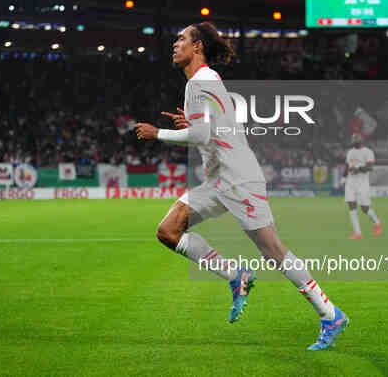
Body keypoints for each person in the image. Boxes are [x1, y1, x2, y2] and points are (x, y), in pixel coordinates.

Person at [134, 21, 348, 350]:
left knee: (273, 251)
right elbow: (214, 128)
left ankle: (330, 313)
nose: (175, 44)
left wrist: (158, 133)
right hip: (218, 178)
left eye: (181, 39)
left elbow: (204, 134)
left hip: (238, 179)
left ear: (198, 47)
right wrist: (190, 124)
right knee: (168, 231)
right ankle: (237, 276)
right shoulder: (199, 82)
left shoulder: (202, 80)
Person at [344, 133, 382, 239]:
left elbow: (370, 167)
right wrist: (343, 178)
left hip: (362, 182)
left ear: (361, 140)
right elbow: (347, 166)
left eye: (356, 139)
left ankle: (377, 222)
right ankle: (358, 233)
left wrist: (358, 169)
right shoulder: (350, 152)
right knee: (351, 205)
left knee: (364, 208)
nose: (354, 140)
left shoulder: (368, 152)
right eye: (353, 139)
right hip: (351, 182)